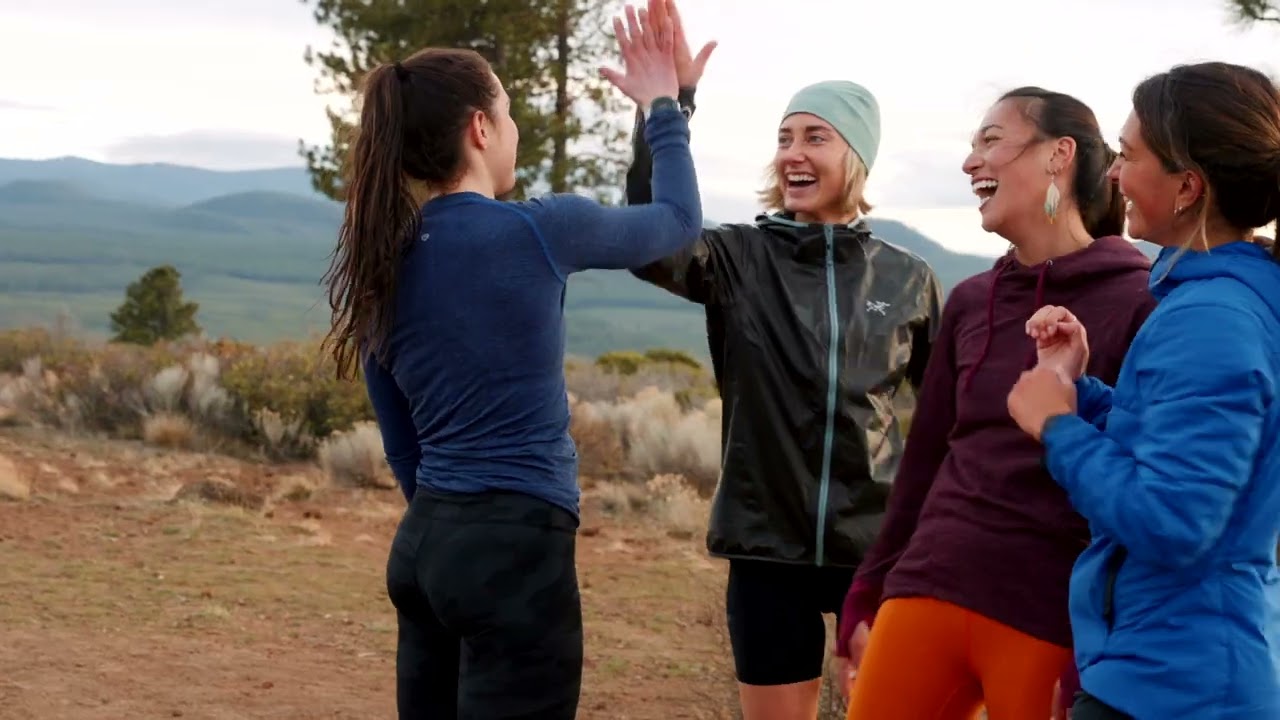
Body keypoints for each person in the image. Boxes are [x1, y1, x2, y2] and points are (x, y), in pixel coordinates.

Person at [318, 4, 704, 717]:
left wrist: (454, 528)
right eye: (508, 111)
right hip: (516, 552)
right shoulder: (539, 231)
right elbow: (678, 223)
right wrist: (666, 105)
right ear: (480, 128)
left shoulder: (380, 264)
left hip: (426, 548)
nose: (515, 128)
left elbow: (403, 449)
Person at [623, 4, 942, 718]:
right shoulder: (738, 257)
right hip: (766, 549)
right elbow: (649, 239)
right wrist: (667, 107)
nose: (793, 153)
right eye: (784, 138)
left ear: (855, 156)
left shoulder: (908, 277)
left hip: (877, 550)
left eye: (815, 137)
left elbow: (944, 416)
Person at [835, 87, 1159, 720]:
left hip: (1050, 615)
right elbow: (925, 461)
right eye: (971, 146)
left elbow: (1142, 487)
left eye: (991, 141)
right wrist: (869, 586)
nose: (969, 162)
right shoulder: (969, 300)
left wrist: (1099, 648)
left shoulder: (1140, 303)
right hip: (928, 584)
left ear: (1059, 155)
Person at [1009, 60, 1280, 720]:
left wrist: (1058, 428)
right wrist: (1081, 390)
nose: (1112, 174)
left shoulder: (1211, 318)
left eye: (1128, 155)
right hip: (1172, 667)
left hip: (1178, 686)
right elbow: (1176, 450)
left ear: (1188, 186)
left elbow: (1174, 521)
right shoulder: (1219, 303)